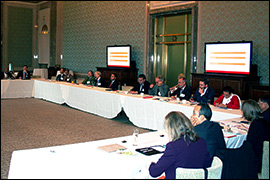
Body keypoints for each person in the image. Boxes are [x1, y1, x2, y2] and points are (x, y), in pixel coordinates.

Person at [149, 111, 212, 179]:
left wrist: (151, 163)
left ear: (171, 129)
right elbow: (208, 163)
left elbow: (154, 172)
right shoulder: (201, 142)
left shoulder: (173, 147)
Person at [242, 99, 269, 174]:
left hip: (256, 159)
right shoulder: (262, 120)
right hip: (262, 154)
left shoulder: (255, 124)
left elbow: (249, 144)